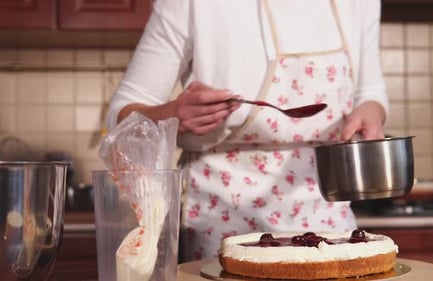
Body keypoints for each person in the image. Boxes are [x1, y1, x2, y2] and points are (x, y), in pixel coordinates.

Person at [106, 0, 388, 262]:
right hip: (219, 219)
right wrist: (173, 114)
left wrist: (371, 111)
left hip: (326, 215)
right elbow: (121, 112)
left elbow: (371, 92)